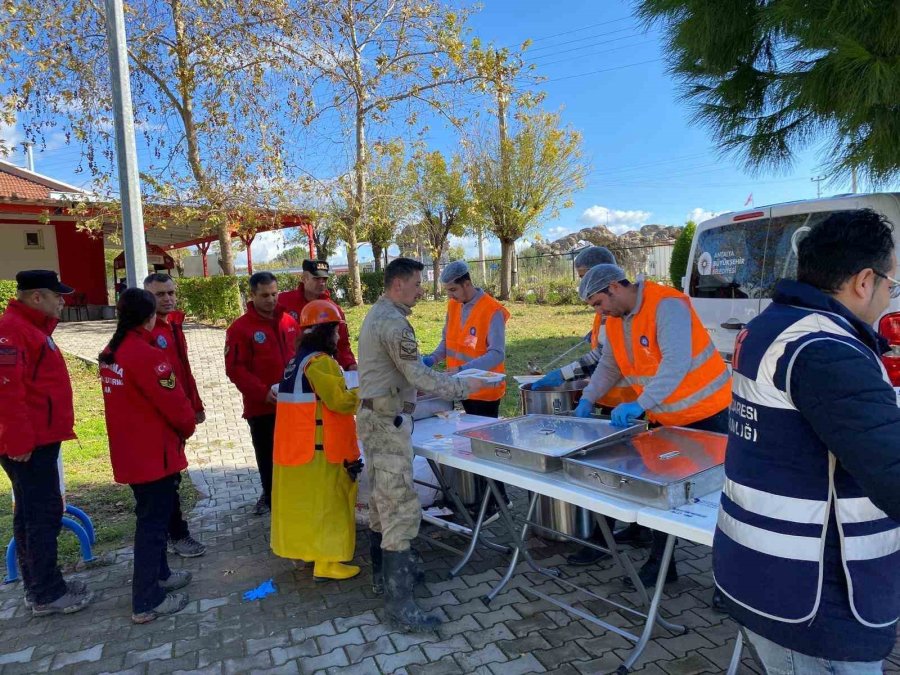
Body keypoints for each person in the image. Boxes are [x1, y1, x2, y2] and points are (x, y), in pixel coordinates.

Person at [714, 209, 900, 673]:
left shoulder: (772, 325)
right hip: (814, 589)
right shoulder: (826, 350)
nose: (887, 297)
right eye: (890, 285)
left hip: (767, 569)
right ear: (864, 281)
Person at [356, 257, 495, 632]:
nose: (422, 290)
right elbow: (416, 374)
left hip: (379, 418)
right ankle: (400, 606)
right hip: (385, 423)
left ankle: (385, 577)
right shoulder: (392, 322)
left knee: (383, 504)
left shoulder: (381, 314)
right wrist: (466, 386)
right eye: (417, 283)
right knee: (399, 507)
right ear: (399, 284)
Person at [574, 263, 731, 593]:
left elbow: (676, 364)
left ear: (615, 287)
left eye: (599, 303)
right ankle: (663, 566)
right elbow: (609, 365)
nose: (599, 312)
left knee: (718, 502)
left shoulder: (666, 305)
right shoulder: (614, 321)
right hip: (668, 420)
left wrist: (639, 404)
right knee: (665, 495)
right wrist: (588, 398)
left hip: (709, 416)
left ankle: (728, 584)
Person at [533, 248, 645, 565]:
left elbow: (603, 360)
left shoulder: (619, 309)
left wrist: (563, 375)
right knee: (624, 475)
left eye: (584, 279)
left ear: (605, 278)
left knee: (612, 477)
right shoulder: (607, 309)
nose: (582, 287)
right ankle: (635, 533)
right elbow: (603, 352)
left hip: (627, 406)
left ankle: (600, 542)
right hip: (611, 401)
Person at [99, 288, 197, 624]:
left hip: (132, 451)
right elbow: (176, 405)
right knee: (153, 525)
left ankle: (162, 575)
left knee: (151, 515)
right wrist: (187, 427)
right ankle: (146, 600)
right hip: (154, 454)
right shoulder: (148, 355)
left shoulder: (113, 351)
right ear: (149, 317)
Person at [0, 270, 92, 616]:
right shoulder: (13, 331)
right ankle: (48, 593)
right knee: (42, 515)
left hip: (38, 438)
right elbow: (7, 390)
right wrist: (19, 440)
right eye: (56, 295)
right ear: (36, 297)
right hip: (29, 444)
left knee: (30, 514)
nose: (62, 301)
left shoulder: (29, 328)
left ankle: (39, 587)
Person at [271, 300, 362, 581]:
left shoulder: (296, 362)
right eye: (335, 331)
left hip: (298, 451)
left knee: (306, 507)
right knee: (329, 506)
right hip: (322, 451)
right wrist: (365, 390)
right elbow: (340, 401)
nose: (338, 337)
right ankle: (328, 563)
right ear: (325, 332)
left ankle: (310, 554)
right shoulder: (320, 363)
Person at [422, 260, 511, 517]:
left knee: (485, 448)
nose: (449, 295)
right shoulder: (454, 305)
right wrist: (432, 358)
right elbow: (447, 341)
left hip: (483, 390)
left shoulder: (492, 310)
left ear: (467, 283)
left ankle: (496, 500)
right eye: (448, 290)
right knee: (470, 446)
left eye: (453, 290)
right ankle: (481, 499)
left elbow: (496, 353)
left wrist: (462, 370)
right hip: (459, 387)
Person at [225, 272, 299, 515]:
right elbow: (236, 369)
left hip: (295, 404)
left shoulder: (289, 321)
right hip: (263, 408)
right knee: (268, 458)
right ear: (253, 295)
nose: (271, 299)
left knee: (296, 454)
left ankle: (296, 497)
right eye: (265, 295)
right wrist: (262, 393)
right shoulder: (240, 329)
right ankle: (271, 499)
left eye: (274, 294)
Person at [143, 273, 206, 558]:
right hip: (162, 418)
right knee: (168, 479)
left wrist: (195, 405)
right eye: (160, 295)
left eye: (170, 293)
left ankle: (175, 532)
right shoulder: (147, 332)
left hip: (181, 411)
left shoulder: (174, 325)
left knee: (174, 475)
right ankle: (177, 535)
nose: (167, 299)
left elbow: (184, 371)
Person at [278, 259, 357, 370]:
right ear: (304, 278)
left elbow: (342, 344)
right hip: (287, 371)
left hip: (319, 370)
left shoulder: (332, 309)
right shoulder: (283, 302)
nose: (322, 283)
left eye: (324, 279)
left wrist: (350, 365)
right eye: (316, 278)